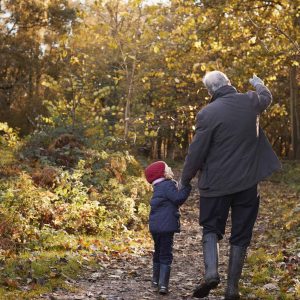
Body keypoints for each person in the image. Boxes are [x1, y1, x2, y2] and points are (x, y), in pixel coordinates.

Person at [180, 71, 281, 299]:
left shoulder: (207, 113)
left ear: (210, 91)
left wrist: (184, 179)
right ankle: (232, 288)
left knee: (211, 228)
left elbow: (196, 153)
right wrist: (257, 82)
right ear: (228, 83)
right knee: (241, 234)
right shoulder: (250, 101)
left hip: (215, 186)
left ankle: (212, 273)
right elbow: (266, 96)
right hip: (247, 185)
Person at [144, 161, 191, 295]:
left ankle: (155, 281)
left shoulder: (158, 187)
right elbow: (177, 199)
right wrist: (187, 188)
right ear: (163, 174)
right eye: (168, 168)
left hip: (155, 227)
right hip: (166, 227)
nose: (170, 169)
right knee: (166, 254)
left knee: (158, 252)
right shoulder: (167, 185)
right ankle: (163, 285)